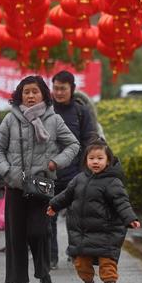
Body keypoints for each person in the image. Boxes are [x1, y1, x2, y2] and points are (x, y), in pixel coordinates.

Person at [0, 76, 80, 283]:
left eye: (35, 92)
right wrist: (7, 170)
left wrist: (55, 163)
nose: (30, 96)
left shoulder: (54, 119)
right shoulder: (11, 119)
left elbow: (73, 145)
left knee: (39, 232)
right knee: (16, 236)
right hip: (15, 186)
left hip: (41, 185)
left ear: (43, 94)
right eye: (26, 92)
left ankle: (44, 273)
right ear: (20, 95)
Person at [47, 139, 140, 283]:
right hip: (82, 232)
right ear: (86, 160)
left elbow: (122, 202)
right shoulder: (78, 179)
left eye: (100, 158)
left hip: (107, 232)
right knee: (81, 264)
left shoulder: (113, 182)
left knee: (107, 264)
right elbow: (66, 195)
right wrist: (54, 205)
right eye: (91, 158)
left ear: (108, 161)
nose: (95, 162)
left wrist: (130, 218)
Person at [49, 70, 97, 268]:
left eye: (63, 89)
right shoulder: (45, 110)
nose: (59, 92)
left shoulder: (81, 111)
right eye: (56, 88)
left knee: (75, 217)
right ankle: (51, 257)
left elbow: (90, 140)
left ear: (72, 89)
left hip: (74, 174)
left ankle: (74, 252)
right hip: (49, 174)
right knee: (48, 216)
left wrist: (85, 170)